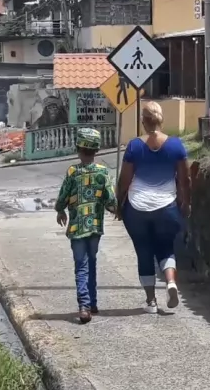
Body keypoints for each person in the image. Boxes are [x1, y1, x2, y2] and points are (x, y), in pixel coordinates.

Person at [116, 101, 191, 314]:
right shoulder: (176, 145)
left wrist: (119, 204)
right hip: (167, 207)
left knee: (144, 251)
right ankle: (171, 283)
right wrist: (187, 202)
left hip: (137, 209)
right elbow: (185, 180)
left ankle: (151, 302)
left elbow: (124, 181)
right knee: (166, 248)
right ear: (161, 119)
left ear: (143, 121)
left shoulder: (134, 146)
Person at [55, 128, 117, 324]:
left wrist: (60, 210)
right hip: (95, 226)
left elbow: (63, 195)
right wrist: (117, 210)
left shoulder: (73, 172)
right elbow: (110, 199)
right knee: (92, 262)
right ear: (96, 150)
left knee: (81, 266)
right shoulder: (102, 172)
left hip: (77, 228)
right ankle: (93, 303)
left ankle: (84, 306)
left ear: (78, 149)